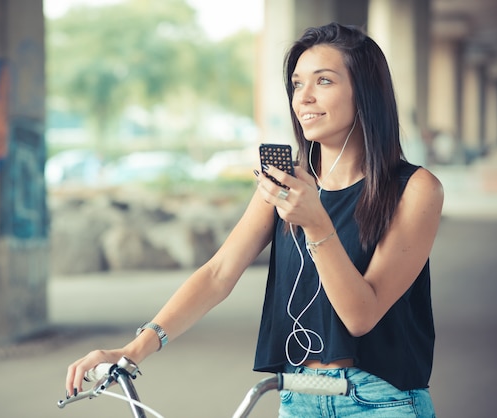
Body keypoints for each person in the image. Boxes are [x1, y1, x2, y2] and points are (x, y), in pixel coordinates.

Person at [65, 22, 443, 417]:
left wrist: (316, 223)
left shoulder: (415, 190)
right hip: (296, 394)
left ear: (365, 92)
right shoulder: (286, 184)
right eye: (297, 84)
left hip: (380, 400)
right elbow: (219, 273)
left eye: (324, 81)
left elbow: (361, 315)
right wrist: (134, 349)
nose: (304, 98)